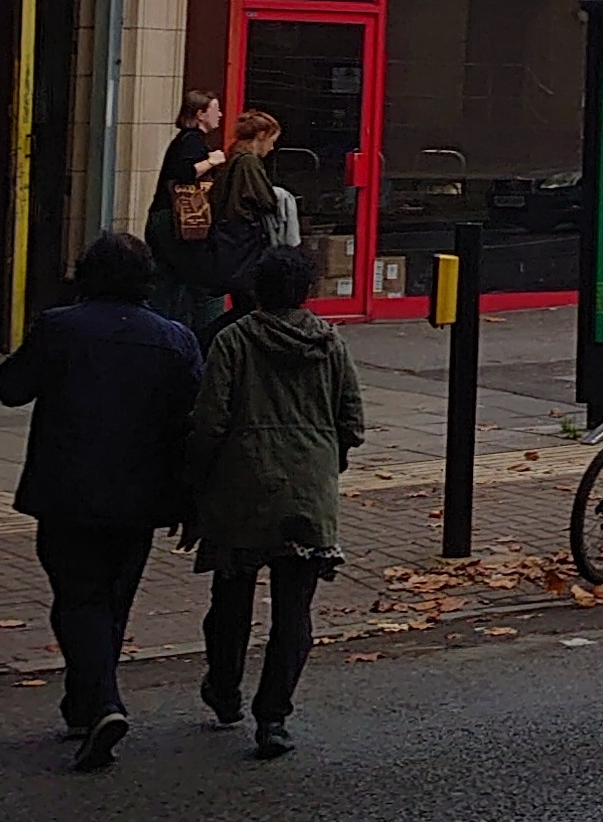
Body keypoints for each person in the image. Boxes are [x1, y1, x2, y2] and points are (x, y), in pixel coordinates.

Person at [0, 233, 202, 772]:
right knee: (111, 598)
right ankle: (83, 704)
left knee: (78, 596)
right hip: (141, 495)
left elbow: (10, 388)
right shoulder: (175, 340)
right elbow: (194, 422)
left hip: (67, 488)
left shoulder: (61, 327)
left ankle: (102, 703)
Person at [183, 246, 362, 761]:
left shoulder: (234, 340)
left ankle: (224, 689)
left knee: (231, 598)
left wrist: (195, 478)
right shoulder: (331, 343)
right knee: (294, 610)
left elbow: (210, 419)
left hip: (241, 486)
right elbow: (352, 419)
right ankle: (274, 717)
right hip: (308, 489)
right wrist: (327, 461)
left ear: (258, 289)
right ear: (307, 289)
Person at [201, 109, 290, 339]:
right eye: (271, 141)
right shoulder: (249, 162)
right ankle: (206, 340)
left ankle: (208, 340)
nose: (271, 148)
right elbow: (266, 199)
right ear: (260, 136)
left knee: (244, 306)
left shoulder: (234, 158)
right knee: (249, 307)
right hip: (244, 242)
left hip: (230, 239)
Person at [147, 91, 231, 326]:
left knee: (168, 281)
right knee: (202, 282)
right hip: (178, 221)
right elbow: (183, 173)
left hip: (164, 217)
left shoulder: (184, 140)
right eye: (215, 110)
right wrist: (212, 161)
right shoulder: (192, 139)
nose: (220, 115)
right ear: (200, 113)